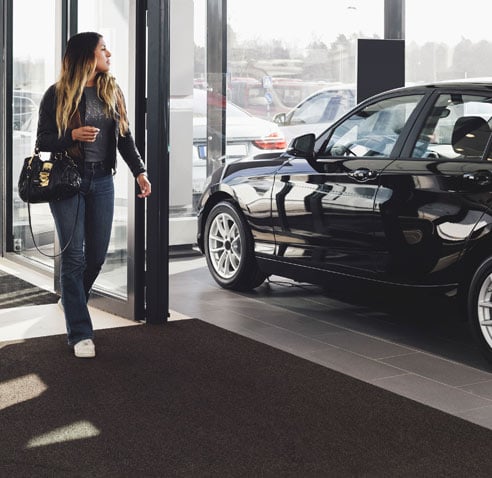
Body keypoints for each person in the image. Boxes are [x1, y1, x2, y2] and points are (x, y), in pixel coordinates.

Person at [36, 32, 151, 358]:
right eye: (103, 48)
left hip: (102, 182)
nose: (109, 53)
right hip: (68, 183)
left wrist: (139, 171)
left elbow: (125, 139)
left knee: (97, 256)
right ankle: (80, 333)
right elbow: (43, 140)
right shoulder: (56, 95)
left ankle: (72, 300)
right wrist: (71, 134)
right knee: (74, 257)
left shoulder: (112, 92)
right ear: (87, 55)